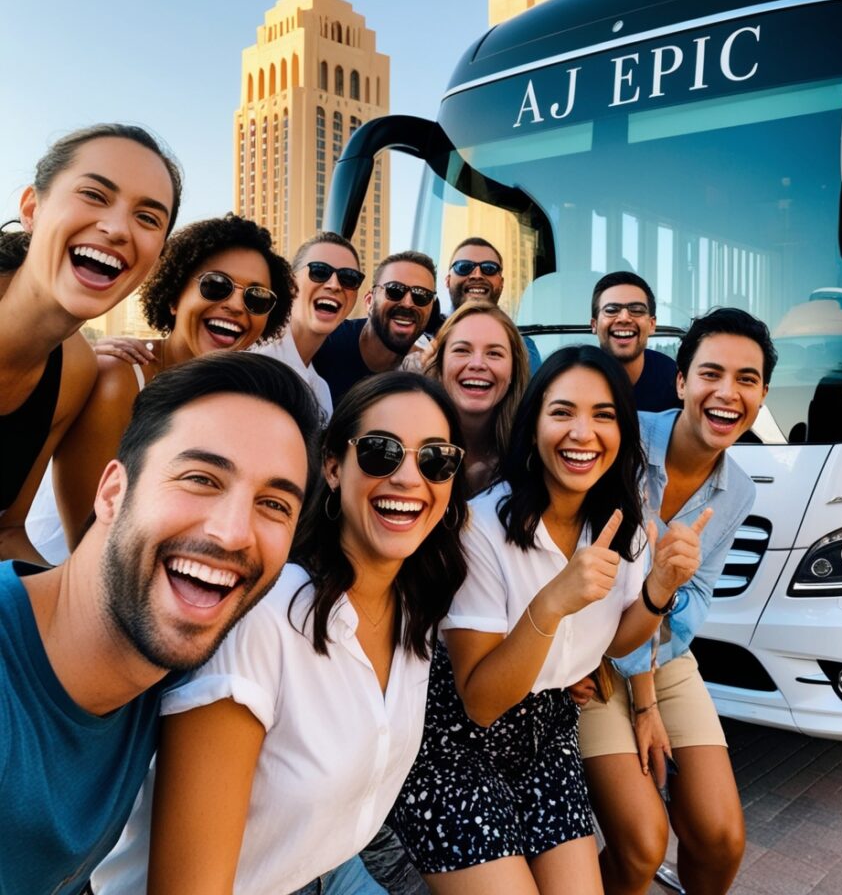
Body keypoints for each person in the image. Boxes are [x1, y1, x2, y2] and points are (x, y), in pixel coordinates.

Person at [93, 372, 470, 895]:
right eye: (381, 453)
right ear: (333, 468)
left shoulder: (413, 610)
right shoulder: (266, 618)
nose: (409, 477)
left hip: (319, 869)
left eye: (435, 459)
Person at [390, 345, 711, 894]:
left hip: (550, 732)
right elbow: (482, 702)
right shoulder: (481, 528)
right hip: (456, 744)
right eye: (562, 412)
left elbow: (616, 643)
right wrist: (551, 603)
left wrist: (659, 590)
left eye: (603, 415)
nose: (582, 433)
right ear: (533, 425)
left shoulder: (622, 525)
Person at [0, 353, 321, 895]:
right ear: (111, 492)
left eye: (273, 504)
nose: (233, 532)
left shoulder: (164, 657)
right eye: (200, 478)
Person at [578, 308, 776, 895]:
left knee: (721, 838)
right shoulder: (623, 439)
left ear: (763, 395)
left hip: (660, 658)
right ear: (682, 381)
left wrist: (650, 674)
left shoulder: (737, 489)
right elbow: (584, 577)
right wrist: (643, 701)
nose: (727, 393)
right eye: (711, 373)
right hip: (585, 660)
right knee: (642, 844)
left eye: (747, 379)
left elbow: (692, 604)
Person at [26, 214, 294, 562]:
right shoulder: (120, 378)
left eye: (257, 299)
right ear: (174, 297)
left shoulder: (231, 397)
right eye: (216, 285)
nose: (235, 305)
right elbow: (89, 540)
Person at [0, 123, 182, 563]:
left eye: (147, 218)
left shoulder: (75, 369)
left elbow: (6, 531)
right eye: (95, 195)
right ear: (32, 208)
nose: (118, 228)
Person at [424, 301, 530, 496]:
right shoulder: (407, 449)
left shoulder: (532, 455)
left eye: (494, 353)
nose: (477, 364)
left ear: (514, 370)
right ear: (439, 366)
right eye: (462, 350)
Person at [258, 230, 365, 419]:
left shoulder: (321, 391)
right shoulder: (256, 364)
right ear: (291, 284)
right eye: (319, 272)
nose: (334, 285)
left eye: (349, 278)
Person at [313, 251, 437, 404]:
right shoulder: (325, 343)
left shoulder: (426, 371)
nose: (407, 303)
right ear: (369, 301)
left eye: (422, 296)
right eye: (394, 290)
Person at [444, 236, 541, 372]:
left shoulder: (525, 349)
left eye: (489, 268)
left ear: (501, 283)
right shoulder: (423, 342)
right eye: (464, 267)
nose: (477, 275)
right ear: (447, 280)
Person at [591, 271, 681, 413]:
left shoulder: (674, 381)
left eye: (637, 310)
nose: (624, 318)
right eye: (611, 310)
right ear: (594, 324)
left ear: (652, 324)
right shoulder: (573, 381)